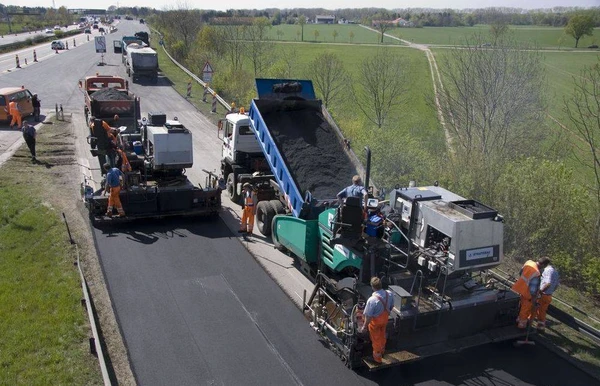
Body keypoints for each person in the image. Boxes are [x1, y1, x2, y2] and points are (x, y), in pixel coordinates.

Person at [359, 277, 394, 364]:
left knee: (376, 339)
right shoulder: (389, 294)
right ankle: (382, 351)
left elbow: (368, 316)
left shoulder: (372, 300)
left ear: (372, 287)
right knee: (382, 335)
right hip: (385, 320)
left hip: (375, 323)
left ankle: (377, 359)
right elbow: (392, 306)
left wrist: (364, 326)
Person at [511, 257, 550, 329]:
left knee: (521, 306)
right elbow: (533, 290)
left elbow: (521, 273)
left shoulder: (529, 262)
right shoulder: (536, 273)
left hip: (520, 288)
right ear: (543, 265)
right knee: (525, 309)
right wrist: (534, 299)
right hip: (527, 294)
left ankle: (518, 320)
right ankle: (521, 326)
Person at [536, 260, 559, 332]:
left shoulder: (548, 271)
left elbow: (548, 283)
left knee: (538, 310)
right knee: (542, 311)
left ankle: (539, 328)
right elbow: (556, 285)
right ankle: (540, 327)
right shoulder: (556, 272)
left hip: (543, 295)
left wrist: (540, 291)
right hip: (549, 296)